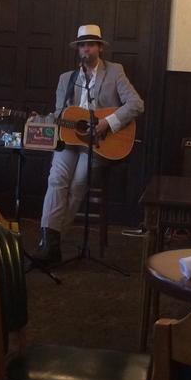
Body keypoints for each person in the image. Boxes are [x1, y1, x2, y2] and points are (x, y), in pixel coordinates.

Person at [35, 24, 144, 264]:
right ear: (78, 49)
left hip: (101, 143)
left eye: (91, 44)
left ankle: (55, 241)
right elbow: (59, 113)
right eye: (83, 45)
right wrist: (47, 120)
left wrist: (107, 123)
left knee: (78, 183)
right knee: (56, 179)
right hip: (71, 140)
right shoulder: (67, 78)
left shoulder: (115, 72)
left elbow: (136, 104)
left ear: (100, 48)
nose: (86, 49)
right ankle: (48, 243)